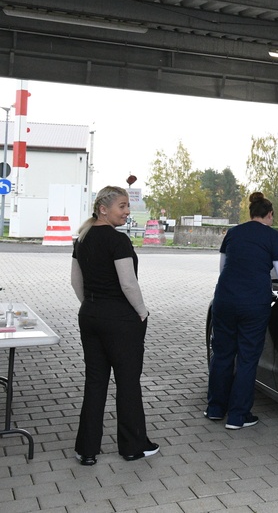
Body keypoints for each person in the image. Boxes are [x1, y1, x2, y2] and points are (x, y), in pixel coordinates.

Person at [71, 186, 158, 466]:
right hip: (121, 319)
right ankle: (133, 447)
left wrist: (93, 305)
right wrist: (142, 312)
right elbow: (128, 283)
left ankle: (87, 450)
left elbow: (76, 282)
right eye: (122, 206)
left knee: (95, 382)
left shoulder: (82, 239)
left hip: (90, 315)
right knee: (128, 383)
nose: (127, 212)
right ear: (103, 208)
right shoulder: (117, 241)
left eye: (127, 206)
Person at [207, 192, 278, 430]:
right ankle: (238, 416)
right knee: (247, 358)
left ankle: (215, 408)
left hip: (224, 299)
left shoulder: (233, 233)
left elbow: (223, 268)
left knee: (222, 354)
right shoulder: (274, 237)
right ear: (269, 214)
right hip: (254, 304)